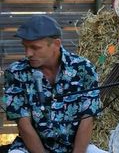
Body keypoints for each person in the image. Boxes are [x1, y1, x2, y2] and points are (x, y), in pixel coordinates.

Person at [2, 15, 105, 153]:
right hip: (31, 149)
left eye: (35, 47)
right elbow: (23, 124)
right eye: (25, 47)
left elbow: (87, 119)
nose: (28, 53)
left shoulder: (83, 68)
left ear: (56, 44)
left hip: (76, 148)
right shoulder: (15, 73)